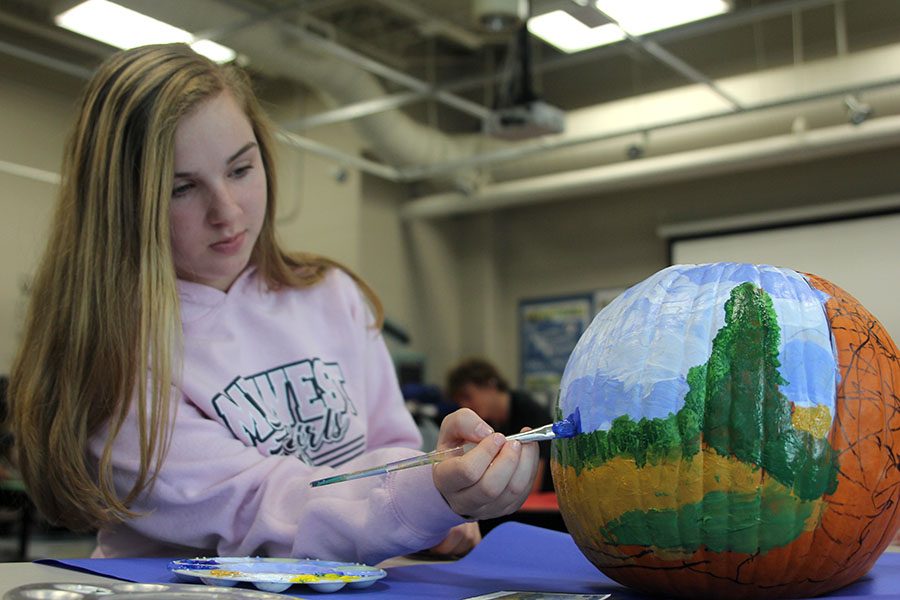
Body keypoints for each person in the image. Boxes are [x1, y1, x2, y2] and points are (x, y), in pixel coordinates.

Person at [8, 43, 538, 564]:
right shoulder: (116, 353)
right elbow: (257, 508)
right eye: (182, 188)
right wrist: (423, 499)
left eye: (241, 169)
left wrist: (436, 489)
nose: (228, 211)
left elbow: (390, 445)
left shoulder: (329, 293)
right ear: (122, 205)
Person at [446, 358, 554, 492]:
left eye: (468, 397)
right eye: (459, 401)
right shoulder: (485, 423)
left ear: (490, 385)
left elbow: (531, 486)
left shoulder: (531, 413)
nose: (464, 406)